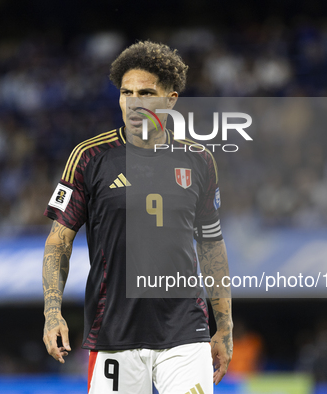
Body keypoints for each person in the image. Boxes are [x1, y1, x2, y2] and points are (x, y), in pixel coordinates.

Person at [42, 41, 233, 394]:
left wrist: (225, 327)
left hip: (184, 331)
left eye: (146, 92)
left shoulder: (199, 160)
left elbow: (211, 246)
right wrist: (52, 312)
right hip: (113, 332)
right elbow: (58, 243)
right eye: (126, 92)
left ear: (170, 99)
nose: (134, 102)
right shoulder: (89, 157)